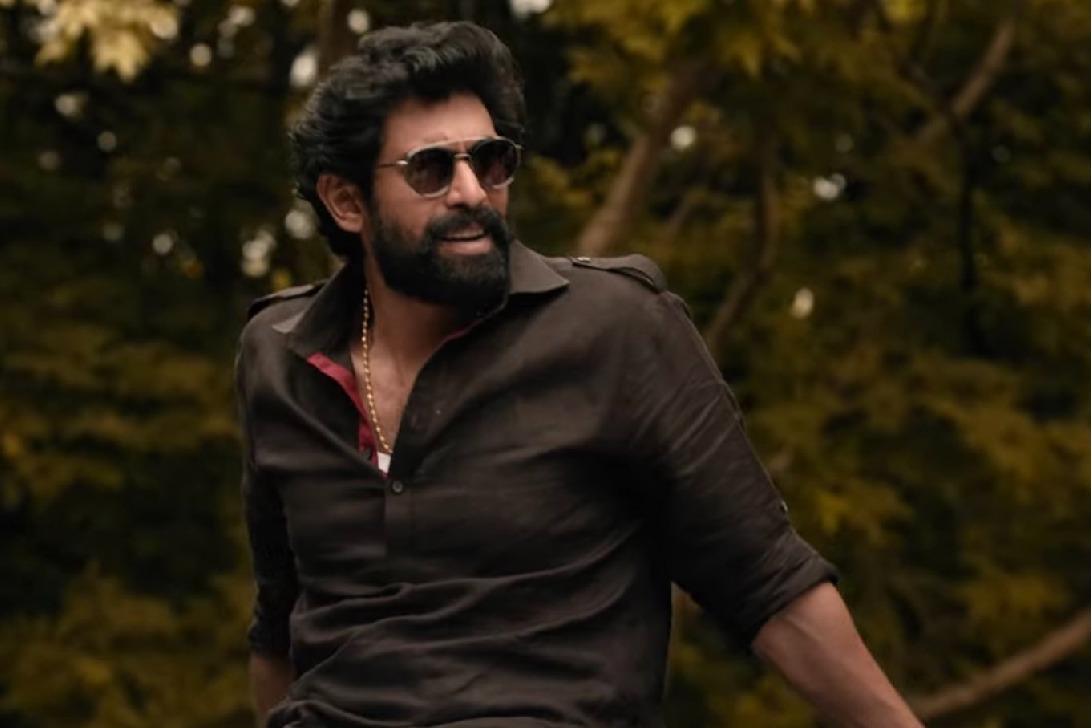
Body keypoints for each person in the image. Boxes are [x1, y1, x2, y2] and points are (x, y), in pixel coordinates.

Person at [236, 20, 926, 728]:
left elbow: (767, 583)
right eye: (431, 169)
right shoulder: (278, 356)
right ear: (347, 202)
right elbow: (278, 627)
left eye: (492, 161)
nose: (472, 191)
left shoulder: (616, 329)